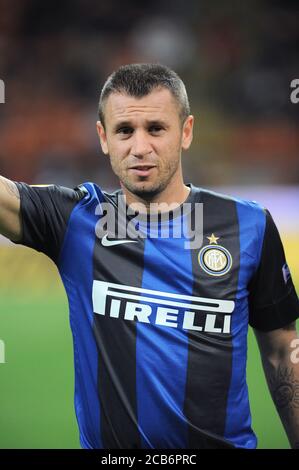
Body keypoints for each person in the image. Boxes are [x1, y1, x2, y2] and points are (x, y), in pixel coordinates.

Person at [0, 63, 299, 449]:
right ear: (103, 137)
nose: (140, 148)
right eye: (125, 131)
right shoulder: (74, 219)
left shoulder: (249, 225)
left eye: (156, 129)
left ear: (185, 132)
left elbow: (281, 351)